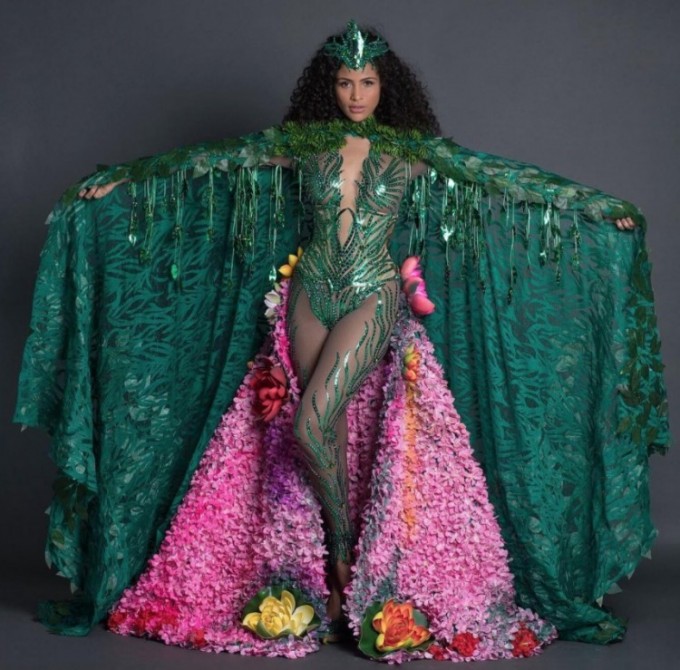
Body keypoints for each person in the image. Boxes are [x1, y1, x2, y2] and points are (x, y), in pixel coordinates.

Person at [16, 20, 668, 662]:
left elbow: (500, 176)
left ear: (387, 87)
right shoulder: (303, 144)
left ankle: (344, 560)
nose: (356, 95)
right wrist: (120, 180)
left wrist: (592, 206)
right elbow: (210, 161)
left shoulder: (412, 150)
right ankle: (338, 566)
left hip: (371, 293)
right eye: (346, 83)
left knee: (309, 420)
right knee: (322, 431)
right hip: (310, 293)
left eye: (368, 83)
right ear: (328, 87)